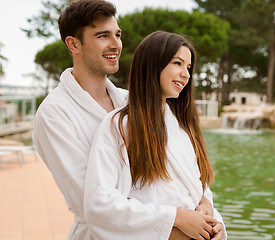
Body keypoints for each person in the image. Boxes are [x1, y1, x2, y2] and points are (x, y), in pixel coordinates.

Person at [33, 1, 218, 239]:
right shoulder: (54, 114)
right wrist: (180, 222)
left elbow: (181, 173)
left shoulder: (131, 101)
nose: (116, 45)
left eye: (118, 35)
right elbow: (91, 204)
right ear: (73, 44)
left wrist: (204, 204)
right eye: (103, 36)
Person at [84, 31, 227, 240]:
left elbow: (196, 186)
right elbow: (99, 203)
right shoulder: (120, 126)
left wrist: (210, 211)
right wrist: (176, 218)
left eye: (188, 67)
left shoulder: (183, 127)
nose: (186, 74)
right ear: (153, 64)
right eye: (177, 63)